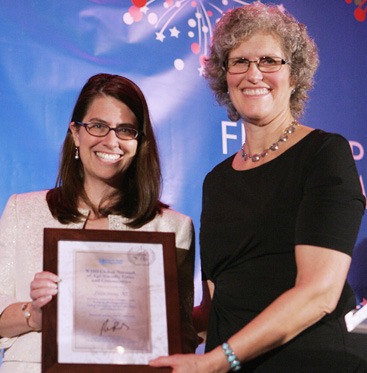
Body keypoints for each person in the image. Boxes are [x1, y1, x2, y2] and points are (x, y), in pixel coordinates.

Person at [150, 2, 367, 372]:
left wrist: (220, 360)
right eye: (239, 61)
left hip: (311, 361)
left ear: (294, 75)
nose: (254, 74)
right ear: (224, 76)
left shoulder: (324, 154)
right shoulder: (217, 180)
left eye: (269, 60)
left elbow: (319, 293)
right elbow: (220, 302)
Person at [0, 73, 198, 372]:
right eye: (98, 126)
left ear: (139, 142)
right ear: (75, 133)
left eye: (126, 130)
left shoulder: (172, 228)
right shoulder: (23, 211)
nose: (111, 141)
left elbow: (180, 336)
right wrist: (37, 315)